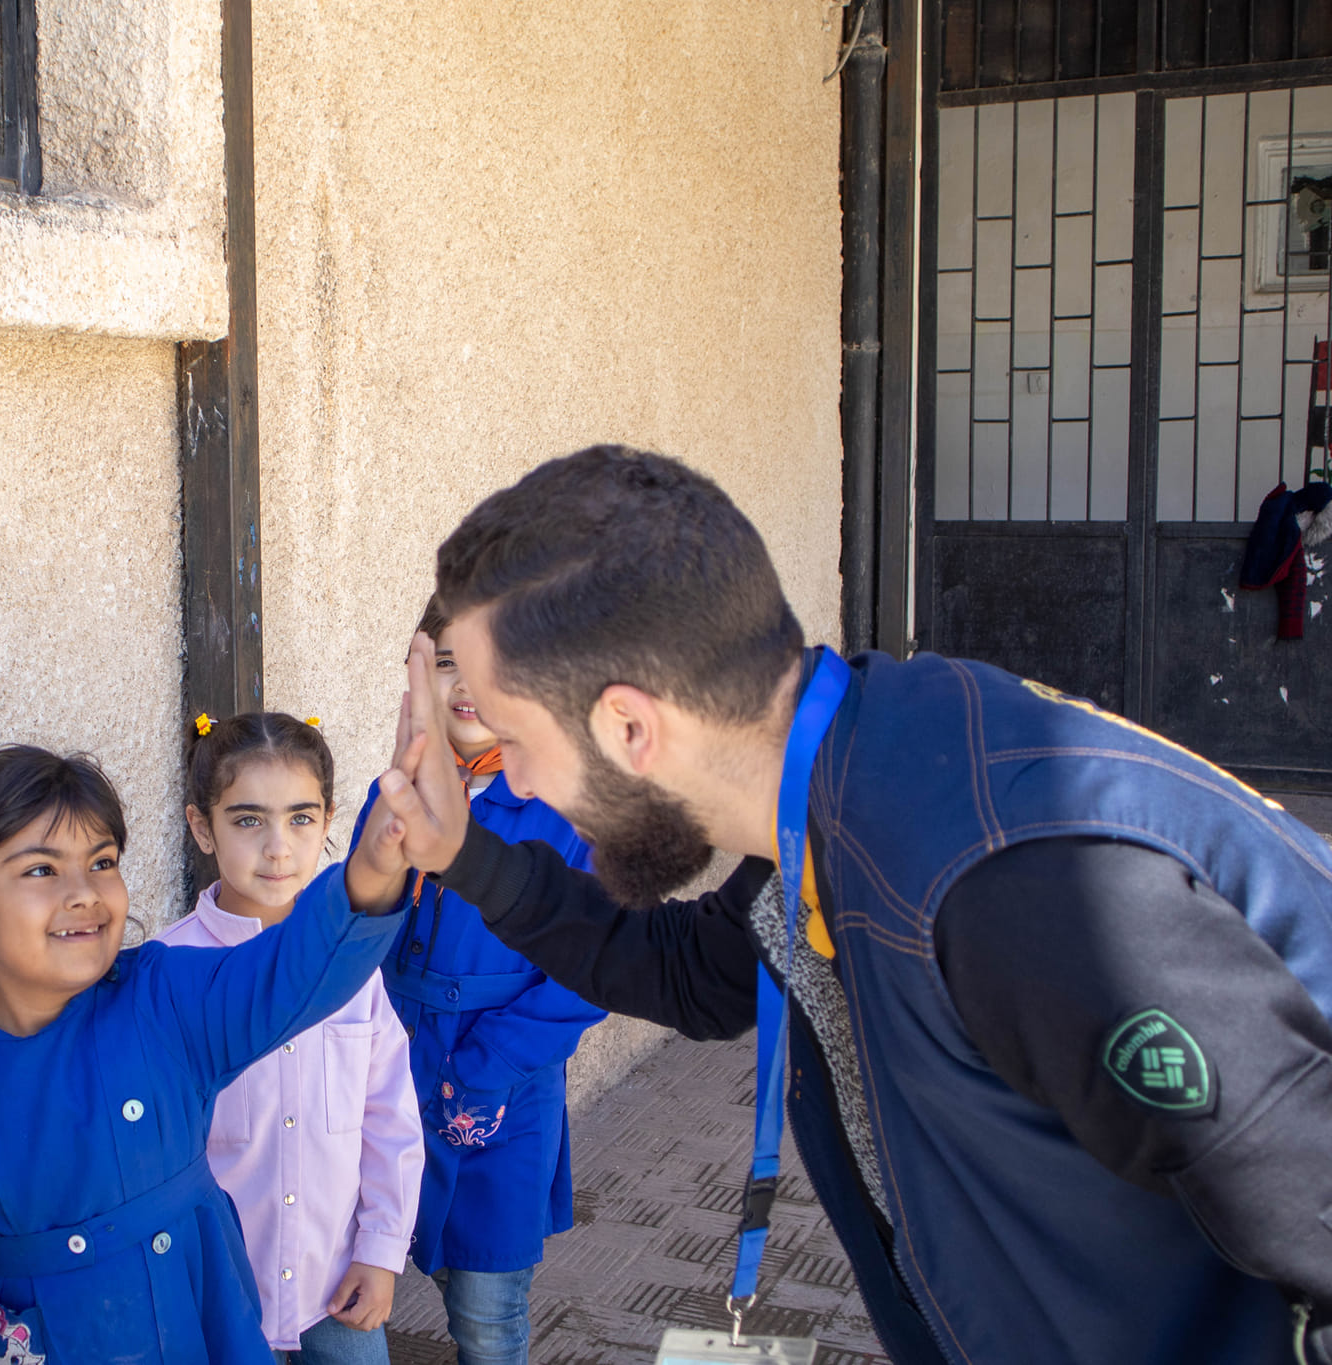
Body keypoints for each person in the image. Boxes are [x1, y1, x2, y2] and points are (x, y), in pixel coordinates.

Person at [369, 444, 1332, 1365]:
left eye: (516, 738)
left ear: (628, 724)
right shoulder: (836, 793)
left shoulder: (1007, 881)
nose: (521, 784)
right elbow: (686, 973)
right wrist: (461, 850)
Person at [0, 744, 416, 1365]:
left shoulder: (165, 999)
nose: (83, 894)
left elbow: (290, 973)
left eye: (101, 862)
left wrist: (377, 856)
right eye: (42, 870)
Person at [348, 602, 606, 1365]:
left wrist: (486, 1066)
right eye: (450, 662)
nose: (470, 687)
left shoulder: (567, 811)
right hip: (390, 1064)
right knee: (357, 1271)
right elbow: (360, 917)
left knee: (489, 1312)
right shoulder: (394, 790)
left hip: (505, 1077)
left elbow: (586, 972)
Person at [157, 711, 423, 1364]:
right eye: (249, 819)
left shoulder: (351, 968)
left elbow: (388, 1114)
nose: (278, 847)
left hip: (334, 1282)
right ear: (202, 825)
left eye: (300, 818)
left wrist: (381, 1252)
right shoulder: (167, 973)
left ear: (329, 820)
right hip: (217, 1297)